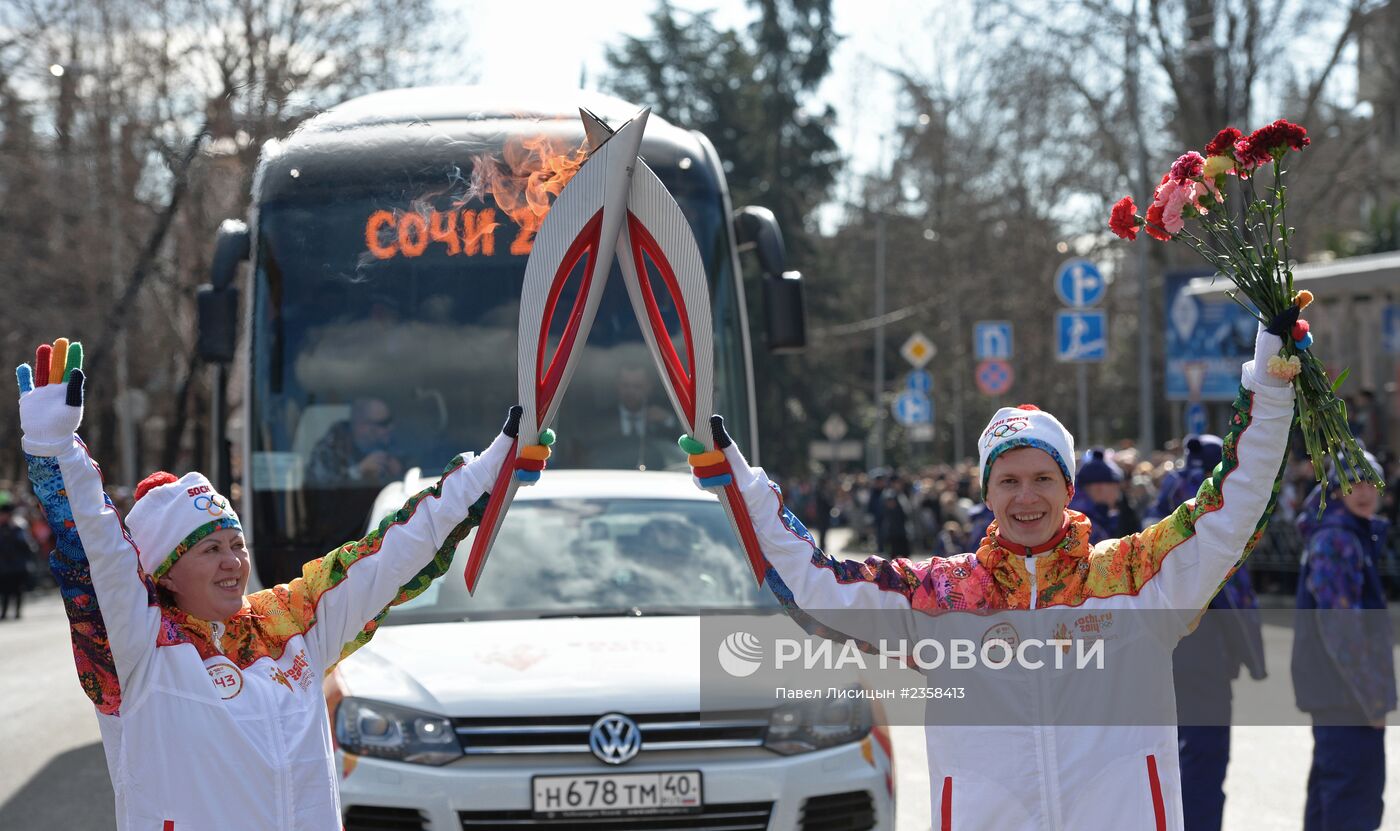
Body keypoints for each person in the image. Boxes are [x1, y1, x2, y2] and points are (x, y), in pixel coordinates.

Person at [687, 316, 1298, 830]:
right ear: (988, 492)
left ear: (1067, 487)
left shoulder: (1135, 576)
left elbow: (1231, 508)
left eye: (1041, 479)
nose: (1025, 497)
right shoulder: (943, 595)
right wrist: (741, 484)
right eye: (1008, 481)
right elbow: (818, 588)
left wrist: (1269, 387)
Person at [17, 337, 548, 831]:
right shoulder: (138, 649)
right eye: (209, 549)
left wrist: (486, 473)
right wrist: (56, 448)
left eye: (236, 545)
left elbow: (387, 557)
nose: (233, 562)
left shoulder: (287, 626)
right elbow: (98, 557)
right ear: (165, 573)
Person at [1155, 434, 1266, 831]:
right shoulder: (1204, 500)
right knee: (1203, 760)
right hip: (1198, 653)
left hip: (1191, 653)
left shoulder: (1173, 495)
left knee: (1191, 760)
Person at [1292, 451, 1394, 831]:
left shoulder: (1344, 532)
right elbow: (1341, 628)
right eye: (1353, 483)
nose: (1364, 492)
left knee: (1331, 796)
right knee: (1354, 801)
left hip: (1336, 692)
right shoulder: (1337, 539)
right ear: (1335, 490)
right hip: (1346, 696)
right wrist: (1373, 699)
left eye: (1371, 483)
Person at [306, 396, 404, 487]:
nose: (391, 427)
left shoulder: (394, 447)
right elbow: (319, 488)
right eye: (384, 423)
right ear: (362, 427)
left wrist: (399, 473)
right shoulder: (328, 450)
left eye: (390, 421)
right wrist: (357, 473)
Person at [1068, 447, 1142, 544]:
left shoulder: (1094, 516)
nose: (1117, 496)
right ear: (1099, 489)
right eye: (1115, 489)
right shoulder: (1083, 524)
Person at [0, 491, 38, 619]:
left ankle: (17, 613)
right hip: (4, 565)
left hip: (18, 565)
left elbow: (28, 545)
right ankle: (4, 613)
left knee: (17, 591)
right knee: (4, 591)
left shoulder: (18, 526)